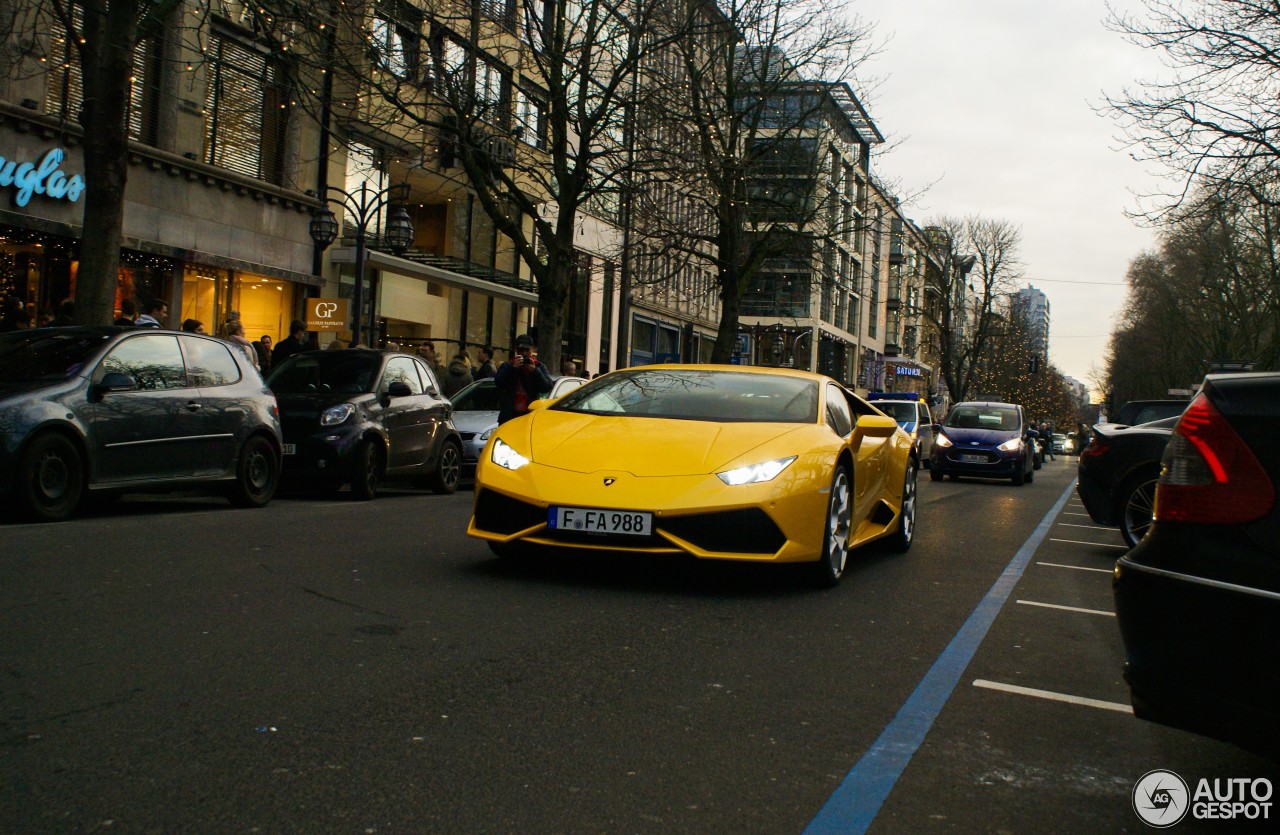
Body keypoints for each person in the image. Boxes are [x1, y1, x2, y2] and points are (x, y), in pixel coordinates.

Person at [494, 334, 552, 424]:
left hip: (529, 416)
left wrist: (535, 371)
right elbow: (499, 383)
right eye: (521, 350)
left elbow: (547, 386)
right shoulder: (508, 366)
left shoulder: (539, 366)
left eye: (527, 350)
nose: (524, 354)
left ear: (532, 349)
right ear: (516, 350)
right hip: (509, 416)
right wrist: (513, 368)